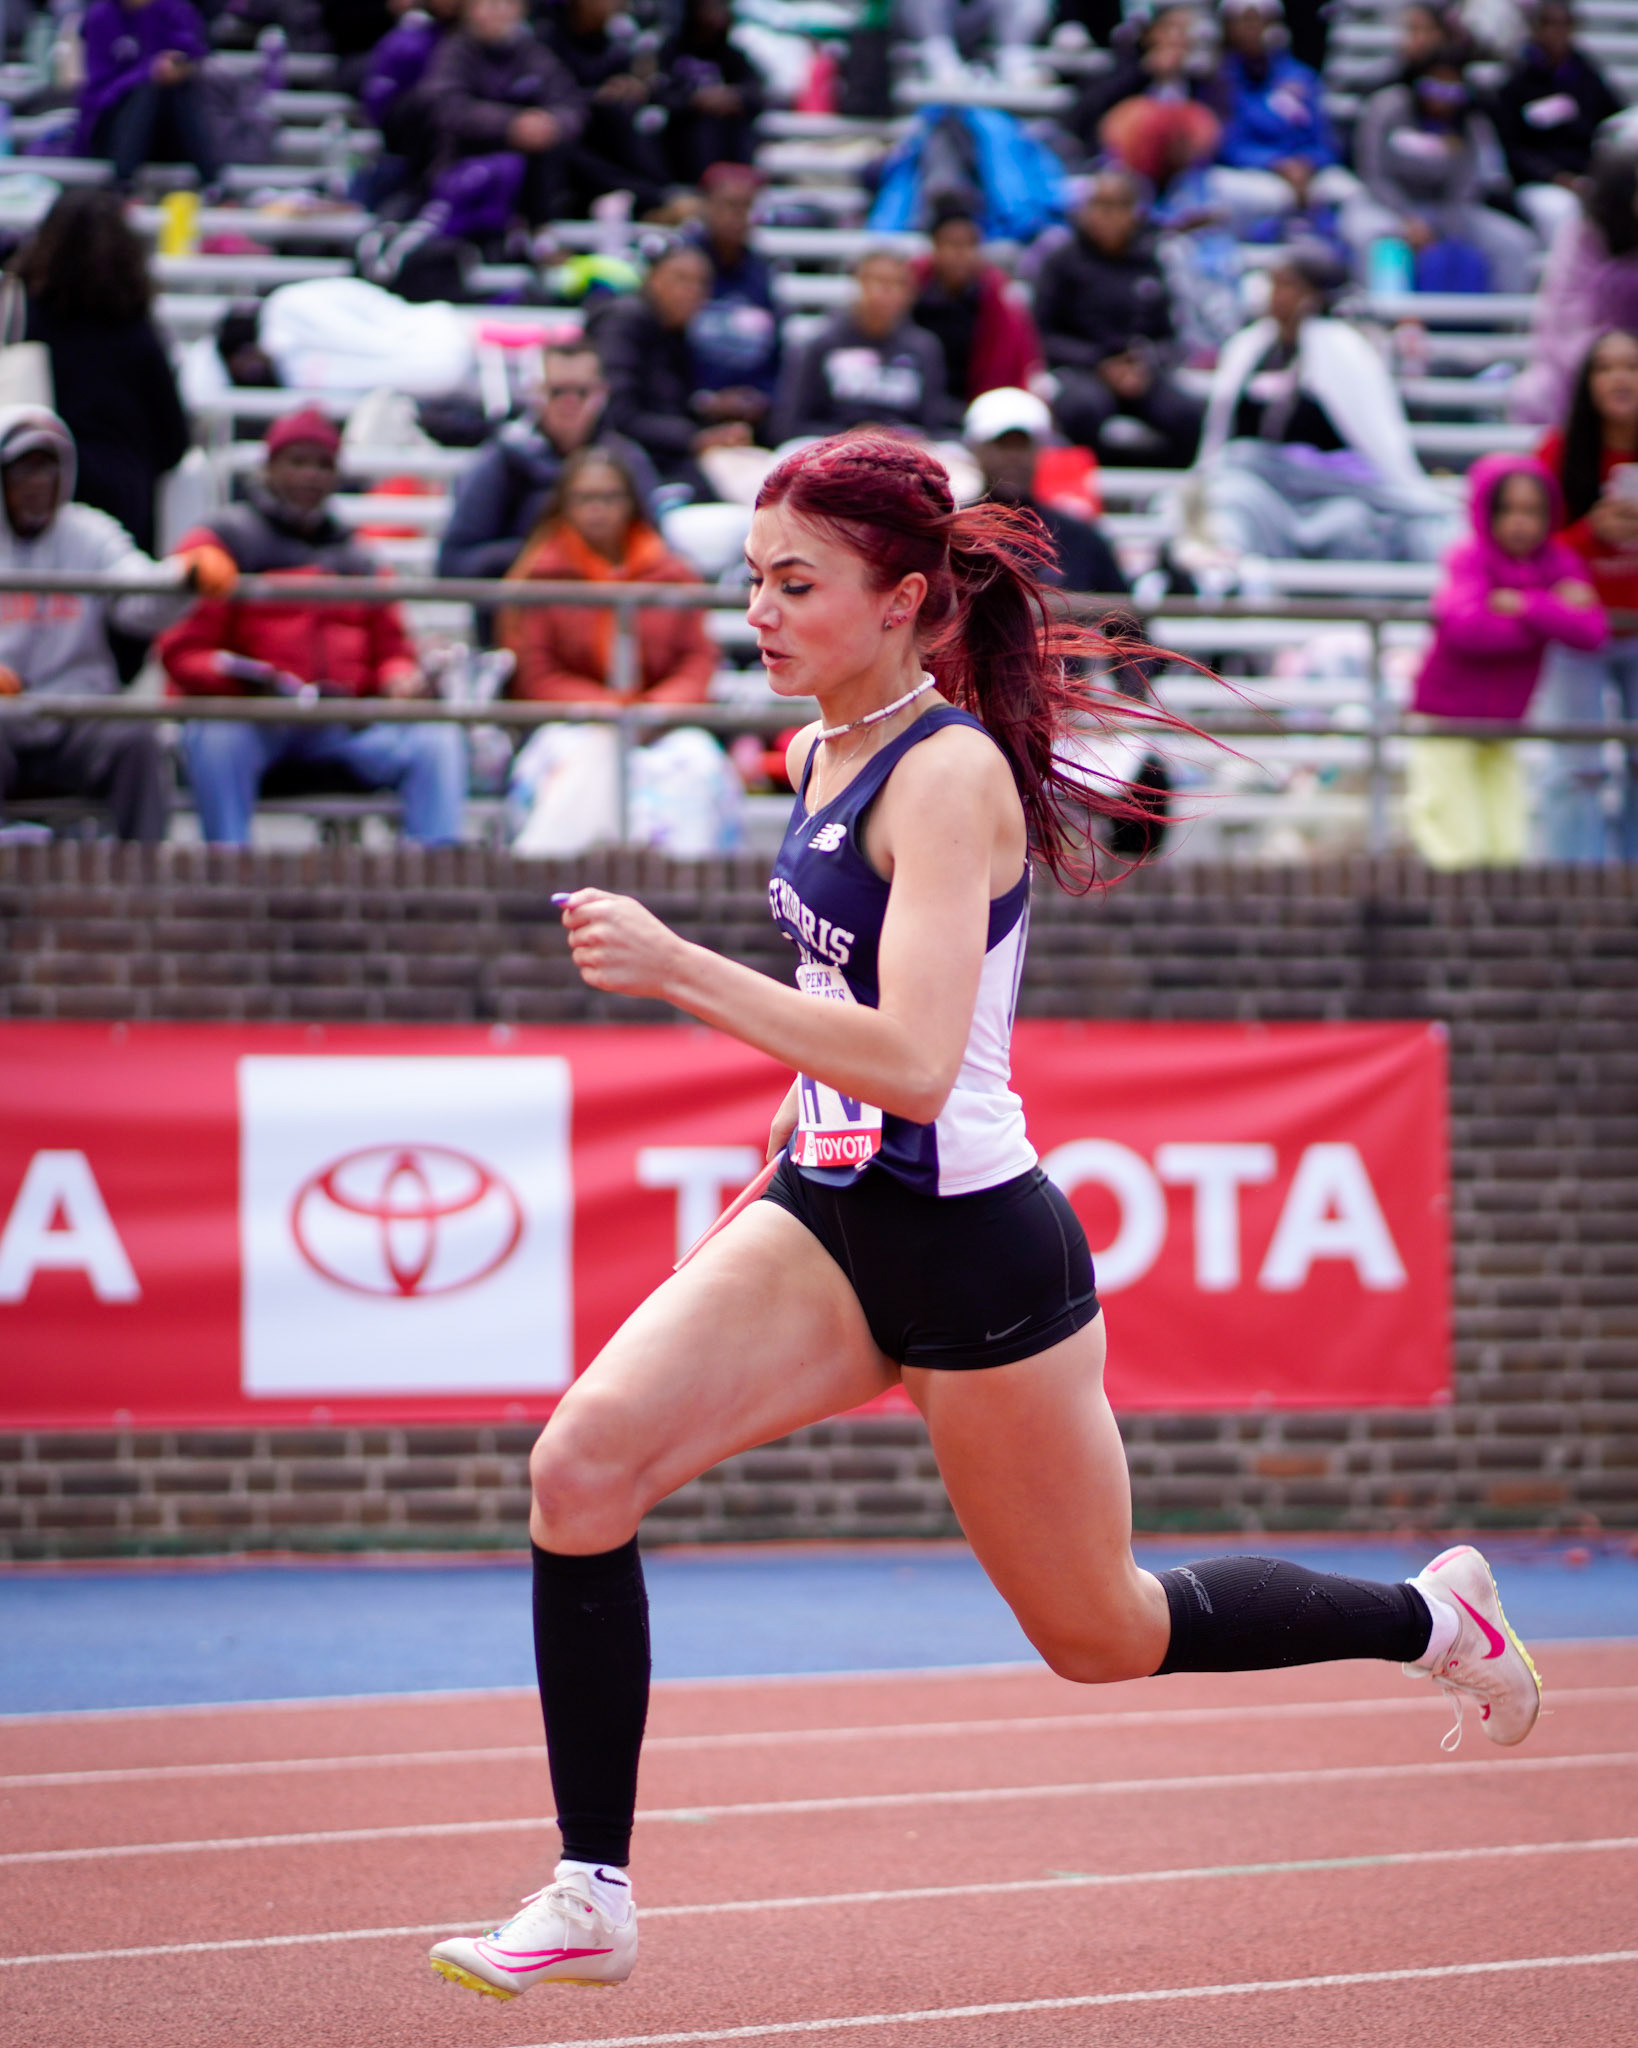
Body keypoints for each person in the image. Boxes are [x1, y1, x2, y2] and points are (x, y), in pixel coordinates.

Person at [423, 426, 1543, 2000]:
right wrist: (783, 1131)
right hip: (829, 1217)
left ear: (900, 601)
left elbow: (914, 1060)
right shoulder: (817, 751)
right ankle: (589, 1891)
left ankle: (1427, 1617)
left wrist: (676, 970)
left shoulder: (946, 776)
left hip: (974, 1253)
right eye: (751, 579)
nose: (758, 612)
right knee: (581, 1466)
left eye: (796, 583)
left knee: (1102, 1634)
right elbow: (844, 1001)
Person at [158, 408, 466, 846]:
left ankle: (437, 873)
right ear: (269, 467)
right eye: (297, 461)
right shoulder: (223, 541)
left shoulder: (358, 557)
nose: (310, 475)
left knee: (435, 739)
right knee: (218, 736)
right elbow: (182, 651)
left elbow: (390, 649)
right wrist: (243, 682)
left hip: (340, 725)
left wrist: (398, 678)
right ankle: (228, 870)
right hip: (253, 721)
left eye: (322, 464)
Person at [0, 406, 232, 844]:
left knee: (138, 740)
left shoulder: (88, 532)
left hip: (80, 714)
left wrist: (184, 577)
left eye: (48, 469)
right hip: (6, 721)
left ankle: (143, 877)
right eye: (24, 470)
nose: (37, 484)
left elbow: (137, 595)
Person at [499, 445, 732, 856]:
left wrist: (654, 709)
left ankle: (685, 881)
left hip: (661, 728)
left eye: (610, 497)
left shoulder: (672, 573)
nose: (598, 510)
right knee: (568, 757)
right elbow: (537, 674)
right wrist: (607, 708)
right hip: (576, 723)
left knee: (699, 763)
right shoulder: (541, 576)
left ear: (631, 503)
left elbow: (697, 660)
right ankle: (551, 872)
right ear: (565, 505)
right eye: (585, 498)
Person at [1188, 247, 1455, 567]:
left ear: (1314, 294)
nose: (1276, 295)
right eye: (1273, 284)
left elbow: (1375, 441)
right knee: (1227, 501)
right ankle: (1231, 581)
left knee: (1349, 523)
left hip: (1339, 490)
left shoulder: (1345, 350)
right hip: (1263, 487)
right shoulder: (1248, 348)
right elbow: (1222, 439)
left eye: (1288, 285)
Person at [1406, 453, 1605, 867]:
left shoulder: (1557, 562)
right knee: (1455, 845)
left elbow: (1591, 631)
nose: (1520, 523)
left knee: (1507, 847)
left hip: (1505, 724)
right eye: (1507, 510)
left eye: (1532, 511)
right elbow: (1468, 629)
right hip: (1448, 720)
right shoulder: (1469, 558)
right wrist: (1552, 612)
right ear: (1486, 511)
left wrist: (1526, 605)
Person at [12, 190, 190, 559]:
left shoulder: (22, 316)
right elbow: (174, 440)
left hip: (33, 485)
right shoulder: (138, 331)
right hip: (122, 489)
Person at [1535, 327, 1638, 859]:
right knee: (1577, 766)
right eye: (1605, 367)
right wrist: (1590, 531)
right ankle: (1573, 883)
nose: (1620, 378)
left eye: (1631, 366)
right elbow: (1530, 552)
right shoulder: (1557, 454)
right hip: (1578, 635)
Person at [438, 337, 659, 582]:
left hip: (611, 596)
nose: (570, 402)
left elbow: (656, 551)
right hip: (528, 598)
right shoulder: (504, 460)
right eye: (557, 392)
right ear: (536, 392)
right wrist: (545, 552)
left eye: (581, 392)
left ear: (602, 393)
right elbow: (453, 563)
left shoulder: (628, 460)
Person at [1033, 167, 1203, 469]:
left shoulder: (1150, 261)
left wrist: (1145, 362)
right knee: (1081, 409)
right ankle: (1085, 484)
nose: (1106, 216)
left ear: (1134, 213)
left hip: (1139, 372)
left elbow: (1169, 336)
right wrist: (1098, 362)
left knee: (1188, 414)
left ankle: (1162, 484)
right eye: (1099, 205)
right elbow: (1041, 337)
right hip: (1081, 368)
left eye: (1117, 206)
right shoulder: (1061, 262)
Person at [1345, 39, 1538, 294]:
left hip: (1448, 210)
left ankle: (1507, 317)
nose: (1441, 97)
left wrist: (1439, 225)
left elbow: (1467, 184)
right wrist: (1408, 219)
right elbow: (1373, 173)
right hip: (1385, 206)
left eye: (1450, 89)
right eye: (1435, 86)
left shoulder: (1471, 123)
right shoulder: (1387, 108)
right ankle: (1385, 316)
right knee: (1376, 242)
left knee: (1515, 244)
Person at [590, 241, 745, 499]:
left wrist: (710, 410)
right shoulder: (623, 320)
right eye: (681, 279)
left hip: (665, 453)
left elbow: (671, 402)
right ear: (653, 279)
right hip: (627, 460)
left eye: (701, 283)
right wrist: (694, 438)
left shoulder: (675, 332)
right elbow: (618, 414)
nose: (692, 291)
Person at [1513, 143, 1638, 427]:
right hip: (1581, 377)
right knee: (1535, 393)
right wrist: (1617, 366)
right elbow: (1564, 322)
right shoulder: (1583, 237)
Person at [770, 248, 948, 445]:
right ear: (859, 284)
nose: (887, 291)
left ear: (911, 293)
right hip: (834, 448)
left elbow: (932, 425)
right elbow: (790, 425)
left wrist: (899, 438)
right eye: (879, 281)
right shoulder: (823, 344)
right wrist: (852, 436)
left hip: (902, 450)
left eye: (898, 283)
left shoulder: (924, 348)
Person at [1205, 0, 1346, 234]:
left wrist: (1307, 163)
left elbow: (1326, 141)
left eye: (1260, 21)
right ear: (1229, 27)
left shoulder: (1300, 76)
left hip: (1307, 170)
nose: (1253, 30)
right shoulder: (1220, 81)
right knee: (1271, 196)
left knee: (1348, 192)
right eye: (1244, 21)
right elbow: (1227, 146)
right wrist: (1277, 163)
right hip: (1251, 172)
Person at [1493, 0, 1622, 246]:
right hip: (1537, 183)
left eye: (1564, 25)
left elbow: (1613, 120)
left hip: (1585, 175)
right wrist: (1554, 176)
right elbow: (1511, 148)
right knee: (1562, 211)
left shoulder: (1585, 74)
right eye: (1550, 25)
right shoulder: (1517, 79)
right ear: (1535, 29)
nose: (1557, 33)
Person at [910, 199, 1042, 422]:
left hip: (977, 405)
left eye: (970, 245)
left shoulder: (997, 298)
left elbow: (1018, 361)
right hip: (916, 403)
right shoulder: (910, 288)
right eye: (952, 244)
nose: (961, 254)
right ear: (935, 247)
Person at [75, 0, 220, 190]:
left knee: (174, 90)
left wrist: (180, 68)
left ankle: (213, 183)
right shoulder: (101, 16)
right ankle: (122, 181)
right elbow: (98, 92)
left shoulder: (175, 9)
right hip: (113, 129)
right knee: (148, 90)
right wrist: (147, 72)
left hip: (171, 129)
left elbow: (194, 55)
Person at [544, 0, 669, 219]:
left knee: (631, 115)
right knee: (561, 143)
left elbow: (636, 79)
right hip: (564, 126)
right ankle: (651, 197)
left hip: (604, 125)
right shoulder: (549, 37)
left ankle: (659, 194)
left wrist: (634, 86)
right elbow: (549, 94)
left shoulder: (617, 38)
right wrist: (595, 95)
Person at [685, 163, 782, 440]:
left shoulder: (762, 272)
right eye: (729, 205)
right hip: (687, 417)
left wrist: (762, 397)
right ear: (705, 206)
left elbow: (777, 353)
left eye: (746, 206)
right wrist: (703, 400)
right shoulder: (682, 264)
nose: (738, 216)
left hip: (753, 418)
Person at [654, 0, 765, 188]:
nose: (716, 16)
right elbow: (657, 93)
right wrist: (695, 100)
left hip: (728, 137)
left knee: (736, 123)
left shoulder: (732, 55)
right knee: (700, 127)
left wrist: (732, 96)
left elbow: (756, 95)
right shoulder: (670, 51)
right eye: (710, 8)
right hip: (681, 138)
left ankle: (737, 183)